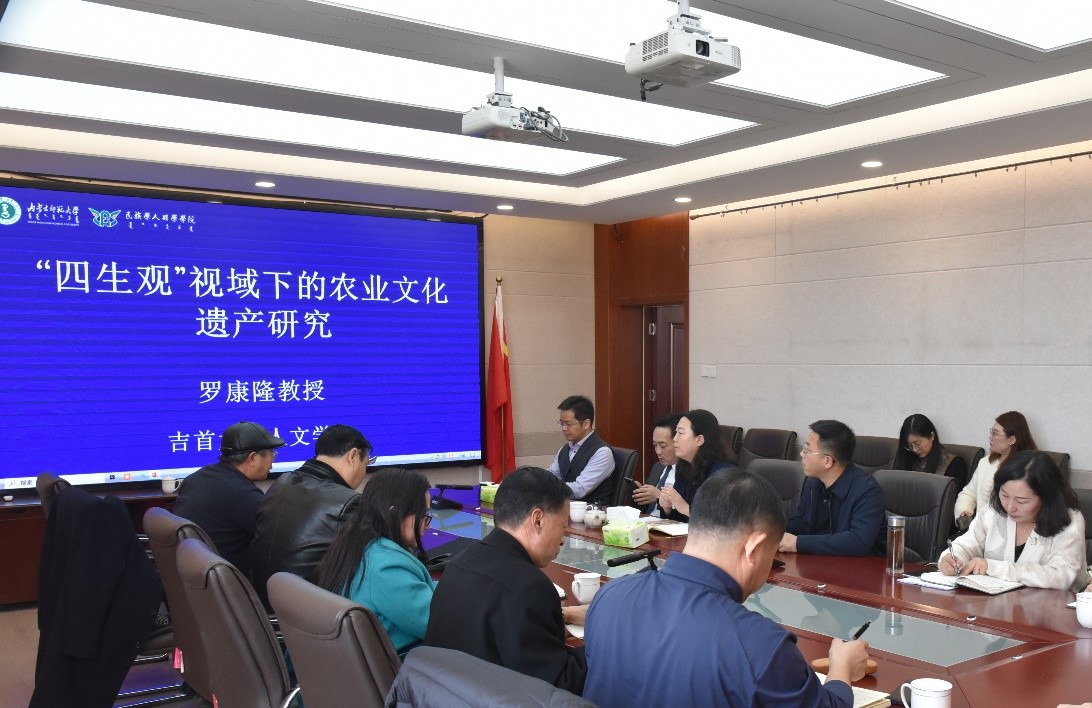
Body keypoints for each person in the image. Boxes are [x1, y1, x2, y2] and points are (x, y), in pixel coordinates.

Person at [583, 471, 871, 707]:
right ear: (754, 548)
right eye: (771, 555)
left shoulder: (609, 596)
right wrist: (841, 668)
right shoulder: (761, 646)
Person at [424, 466, 588, 694]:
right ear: (538, 520)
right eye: (563, 527)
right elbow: (558, 687)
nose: (563, 539)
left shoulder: (459, 563)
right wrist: (603, 641)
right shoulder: (530, 587)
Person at [311, 468, 435, 656]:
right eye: (424, 515)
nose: (428, 525)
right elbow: (438, 624)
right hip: (400, 666)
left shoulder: (357, 542)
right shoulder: (387, 567)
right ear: (395, 513)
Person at [250, 424, 370, 607]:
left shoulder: (282, 482)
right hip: (308, 612)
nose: (364, 472)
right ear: (353, 456)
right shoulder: (348, 503)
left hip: (263, 603)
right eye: (367, 463)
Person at [940, 451, 1088, 592]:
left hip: (1054, 606)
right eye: (1004, 495)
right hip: (996, 603)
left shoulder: (1069, 520)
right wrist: (953, 558)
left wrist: (994, 568)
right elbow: (967, 544)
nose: (1010, 507)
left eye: (1022, 501)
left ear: (1046, 498)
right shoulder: (993, 511)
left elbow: (1061, 576)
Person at [172, 421, 284, 576]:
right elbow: (280, 537)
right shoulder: (243, 495)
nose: (273, 461)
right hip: (227, 580)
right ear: (252, 458)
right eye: (272, 454)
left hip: (191, 575)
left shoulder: (197, 477)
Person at [781, 420, 885, 557]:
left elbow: (858, 542)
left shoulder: (868, 491)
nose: (801, 454)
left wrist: (797, 543)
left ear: (827, 461)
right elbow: (800, 523)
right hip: (819, 563)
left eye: (807, 450)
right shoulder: (813, 482)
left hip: (859, 567)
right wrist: (774, 535)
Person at [954, 411, 1037, 531]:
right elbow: (969, 493)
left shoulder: (1026, 469)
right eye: (991, 431)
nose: (990, 437)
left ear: (1012, 439)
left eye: (995, 433)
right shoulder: (985, 462)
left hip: (1010, 531)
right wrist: (964, 511)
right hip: (979, 530)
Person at [659, 409, 736, 520]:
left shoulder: (723, 473)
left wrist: (686, 508)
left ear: (699, 440)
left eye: (680, 433)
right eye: (676, 433)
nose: (675, 439)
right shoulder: (683, 466)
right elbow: (678, 519)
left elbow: (720, 520)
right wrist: (668, 507)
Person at [546, 395, 615, 507]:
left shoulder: (602, 452)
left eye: (568, 424)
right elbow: (552, 474)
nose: (564, 428)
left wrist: (547, 488)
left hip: (592, 512)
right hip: (566, 508)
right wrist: (536, 480)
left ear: (586, 424)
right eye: (561, 423)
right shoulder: (565, 449)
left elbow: (580, 489)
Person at [892, 413, 969, 488]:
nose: (914, 450)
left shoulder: (953, 463)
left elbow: (953, 495)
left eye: (917, 443)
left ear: (932, 436)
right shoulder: (908, 457)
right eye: (910, 445)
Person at [632, 413, 682, 516]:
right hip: (646, 520)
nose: (658, 451)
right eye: (655, 445)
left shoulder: (688, 471)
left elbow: (687, 513)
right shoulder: (658, 467)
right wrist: (641, 493)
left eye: (663, 446)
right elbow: (646, 506)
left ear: (677, 442)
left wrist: (659, 496)